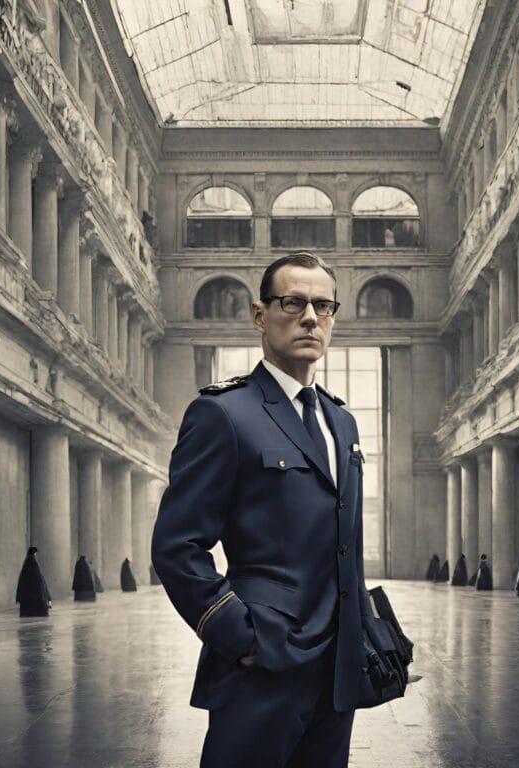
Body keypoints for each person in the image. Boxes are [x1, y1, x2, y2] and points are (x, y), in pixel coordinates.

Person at [152, 252, 371, 768]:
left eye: (323, 305)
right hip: (261, 666)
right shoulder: (224, 414)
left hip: (337, 668)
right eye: (292, 302)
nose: (310, 317)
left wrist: (367, 634)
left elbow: (344, 547)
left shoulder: (342, 422)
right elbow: (177, 545)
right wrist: (239, 636)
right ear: (259, 315)